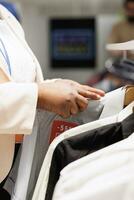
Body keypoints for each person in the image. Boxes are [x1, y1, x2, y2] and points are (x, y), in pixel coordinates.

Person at [0, 3, 105, 200]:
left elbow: (17, 80)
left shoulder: (7, 17)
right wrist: (39, 95)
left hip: (15, 165)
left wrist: (53, 85)